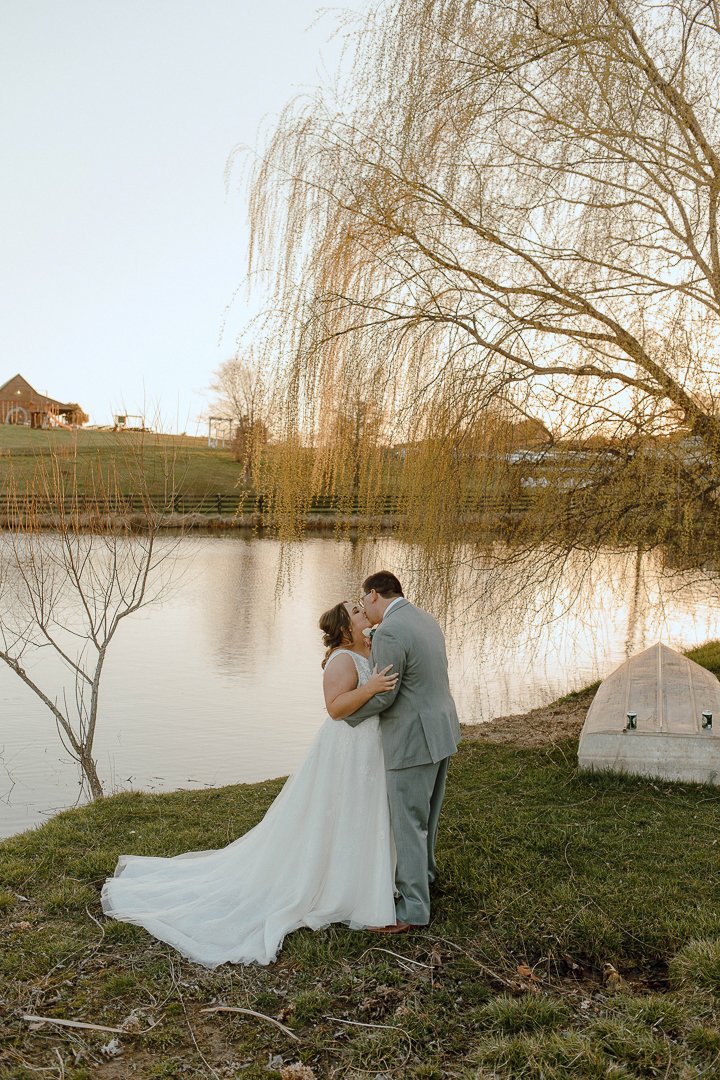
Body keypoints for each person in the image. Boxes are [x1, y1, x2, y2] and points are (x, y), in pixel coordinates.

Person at [100, 600, 398, 968]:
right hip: (346, 750)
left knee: (358, 813)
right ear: (342, 628)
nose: (362, 614)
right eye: (355, 612)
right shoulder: (341, 660)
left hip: (366, 749)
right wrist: (372, 688)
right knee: (337, 813)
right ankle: (335, 886)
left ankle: (360, 882)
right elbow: (335, 708)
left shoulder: (365, 648)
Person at [343, 571, 460, 933]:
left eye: (364, 603)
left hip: (412, 737)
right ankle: (424, 876)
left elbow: (386, 693)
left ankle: (413, 909)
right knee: (427, 817)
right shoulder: (425, 619)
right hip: (441, 730)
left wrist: (347, 716)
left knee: (408, 823)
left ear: (374, 595)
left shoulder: (391, 631)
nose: (364, 610)